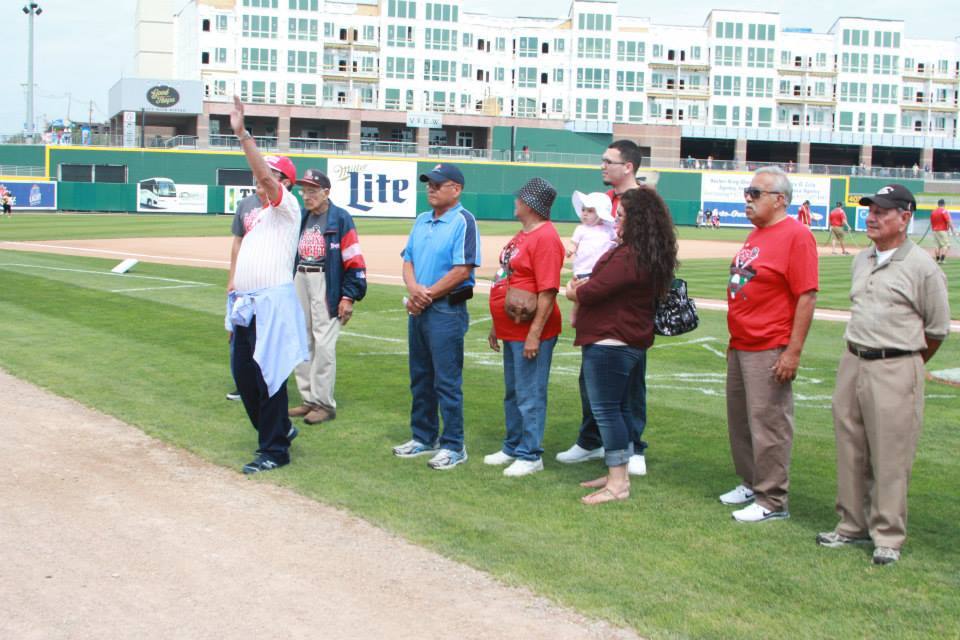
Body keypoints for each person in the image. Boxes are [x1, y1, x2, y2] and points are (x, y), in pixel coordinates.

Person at [817, 184, 950, 565]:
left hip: (897, 363)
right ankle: (851, 525)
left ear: (905, 218)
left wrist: (907, 363)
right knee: (850, 448)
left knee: (891, 454)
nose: (872, 217)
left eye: (882, 211)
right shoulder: (862, 259)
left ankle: (887, 536)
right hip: (853, 359)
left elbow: (937, 330)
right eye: (870, 210)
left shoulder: (923, 266)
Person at [564, 188, 677, 504]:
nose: (616, 221)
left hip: (611, 341)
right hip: (622, 338)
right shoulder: (639, 251)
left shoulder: (630, 255)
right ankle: (620, 473)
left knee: (607, 410)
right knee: (621, 408)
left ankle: (617, 483)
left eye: (623, 216)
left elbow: (593, 291)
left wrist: (574, 291)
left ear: (638, 221)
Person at [721, 166, 818, 522]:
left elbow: (806, 296)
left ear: (779, 200)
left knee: (769, 423)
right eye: (747, 192)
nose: (747, 199)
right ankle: (751, 482)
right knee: (741, 421)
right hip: (742, 342)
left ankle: (772, 500)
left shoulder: (796, 236)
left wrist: (793, 351)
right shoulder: (757, 234)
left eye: (755, 193)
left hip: (770, 344)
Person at [225, 96, 308, 474]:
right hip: (246, 304)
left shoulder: (287, 209)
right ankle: (280, 430)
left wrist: (243, 136)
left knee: (268, 376)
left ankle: (274, 450)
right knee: (243, 376)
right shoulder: (257, 216)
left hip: (270, 305)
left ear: (285, 183)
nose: (262, 182)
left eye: (272, 177)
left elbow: (263, 177)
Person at [555, 140, 649, 477]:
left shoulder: (644, 202)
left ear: (628, 166)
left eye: (608, 161)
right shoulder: (603, 203)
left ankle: (633, 446)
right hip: (597, 301)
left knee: (630, 380)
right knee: (591, 378)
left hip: (626, 308)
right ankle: (591, 438)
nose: (602, 166)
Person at [392, 163, 481, 470]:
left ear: (455, 189)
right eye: (428, 183)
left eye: (437, 184)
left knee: (446, 380)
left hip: (446, 310)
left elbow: (462, 269)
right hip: (420, 308)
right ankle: (423, 436)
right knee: (420, 377)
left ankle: (454, 445)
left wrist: (424, 295)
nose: (430, 188)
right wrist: (414, 289)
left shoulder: (464, 221)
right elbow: (408, 260)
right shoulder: (421, 219)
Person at [485, 178, 564, 477]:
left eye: (519, 198)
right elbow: (506, 277)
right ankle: (513, 445)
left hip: (531, 332)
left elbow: (548, 290)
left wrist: (534, 334)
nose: (515, 201)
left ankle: (531, 454)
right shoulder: (524, 234)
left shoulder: (545, 238)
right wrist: (497, 323)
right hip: (511, 328)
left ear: (530, 205)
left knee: (530, 394)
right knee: (514, 391)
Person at [288, 168, 367, 425]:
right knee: (302, 340)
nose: (306, 196)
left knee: (323, 344)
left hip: (326, 281)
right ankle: (308, 399)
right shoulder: (302, 217)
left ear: (326, 192)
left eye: (312, 191)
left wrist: (349, 296)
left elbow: (354, 258)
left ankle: (324, 403)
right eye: (304, 191)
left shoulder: (340, 218)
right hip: (301, 277)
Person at [226, 191, 263, 402]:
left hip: (267, 281)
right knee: (237, 331)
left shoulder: (283, 205)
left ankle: (263, 383)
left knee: (262, 336)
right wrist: (232, 277)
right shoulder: (246, 204)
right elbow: (237, 241)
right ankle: (243, 384)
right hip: (243, 280)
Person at [930, 198, 955, 264]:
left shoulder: (933, 211)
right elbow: (949, 221)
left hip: (934, 231)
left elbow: (931, 222)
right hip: (942, 230)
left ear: (938, 204)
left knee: (937, 246)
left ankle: (937, 259)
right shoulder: (944, 211)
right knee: (946, 245)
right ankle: (942, 259)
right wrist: (952, 230)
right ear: (944, 204)